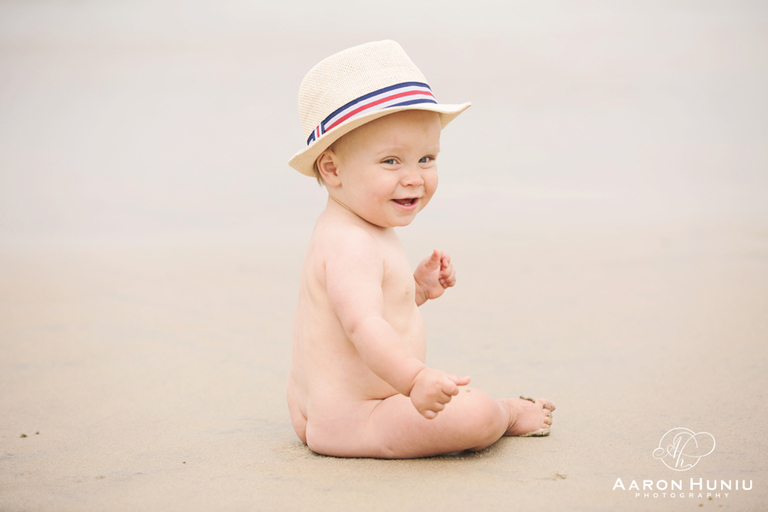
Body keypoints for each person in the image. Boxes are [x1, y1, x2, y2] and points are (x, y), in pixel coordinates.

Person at [286, 40, 555, 458]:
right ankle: (506, 412)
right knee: (475, 414)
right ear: (333, 168)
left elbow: (369, 308)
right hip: (359, 415)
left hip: (327, 408)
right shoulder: (351, 243)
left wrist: (415, 290)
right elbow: (363, 326)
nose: (414, 178)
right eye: (392, 161)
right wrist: (414, 381)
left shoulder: (352, 225)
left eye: (426, 158)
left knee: (453, 410)